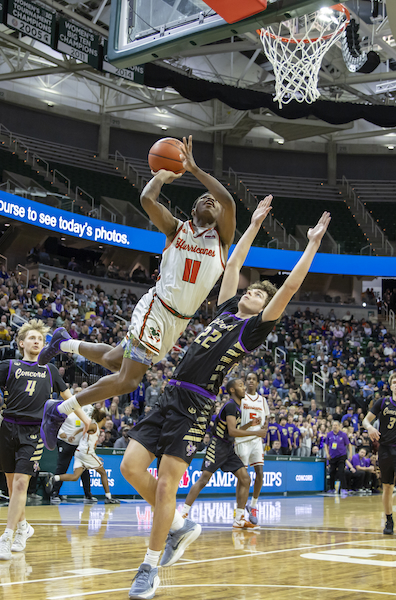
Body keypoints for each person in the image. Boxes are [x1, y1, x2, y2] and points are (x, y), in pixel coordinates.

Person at [118, 200, 330, 599]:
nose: (249, 292)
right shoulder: (227, 311)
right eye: (249, 290)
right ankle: (180, 527)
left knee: (166, 486)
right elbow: (232, 266)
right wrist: (252, 225)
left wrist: (313, 245)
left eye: (256, 294)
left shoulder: (253, 330)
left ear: (262, 308)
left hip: (197, 405)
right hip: (172, 392)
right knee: (130, 468)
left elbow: (289, 287)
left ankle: (148, 567)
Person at [39, 135, 236, 451]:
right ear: (192, 209)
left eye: (211, 198)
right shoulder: (176, 228)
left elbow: (227, 201)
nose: (210, 200)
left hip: (178, 323)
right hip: (157, 309)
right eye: (203, 198)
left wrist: (196, 170)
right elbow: (147, 199)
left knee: (114, 361)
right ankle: (58, 410)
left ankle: (64, 341)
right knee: (130, 381)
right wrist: (162, 173)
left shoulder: (222, 240)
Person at [0, 320, 71, 560]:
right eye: (32, 338)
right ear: (21, 343)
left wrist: (85, 420)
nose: (37, 341)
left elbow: (68, 398)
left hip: (34, 432)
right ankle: (23, 527)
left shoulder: (50, 370)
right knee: (12, 487)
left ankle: (7, 536)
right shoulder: (10, 366)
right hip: (8, 428)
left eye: (40, 339)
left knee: (21, 484)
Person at [181, 378, 266, 527]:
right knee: (204, 480)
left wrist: (249, 425)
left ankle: (239, 519)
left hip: (228, 448)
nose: (244, 387)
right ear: (232, 390)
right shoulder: (231, 406)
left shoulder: (237, 407)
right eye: (240, 385)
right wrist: (257, 432)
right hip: (217, 446)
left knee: (245, 479)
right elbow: (233, 431)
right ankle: (183, 514)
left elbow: (232, 432)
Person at [362, 372, 396, 538]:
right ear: (390, 386)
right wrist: (369, 428)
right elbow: (365, 420)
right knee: (387, 486)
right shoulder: (382, 402)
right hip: (384, 449)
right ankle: (389, 521)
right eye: (394, 382)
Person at [45, 406, 120, 504]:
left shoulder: (95, 427)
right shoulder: (94, 425)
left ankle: (54, 478)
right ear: (104, 419)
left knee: (75, 476)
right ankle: (109, 497)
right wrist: (74, 434)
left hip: (80, 452)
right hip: (85, 453)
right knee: (103, 473)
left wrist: (95, 456)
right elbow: (83, 427)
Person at [232, 371, 269, 524]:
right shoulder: (241, 398)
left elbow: (266, 419)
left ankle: (252, 506)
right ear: (245, 382)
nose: (251, 381)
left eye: (254, 379)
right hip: (242, 440)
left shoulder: (262, 400)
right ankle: (239, 509)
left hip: (256, 441)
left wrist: (264, 430)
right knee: (243, 477)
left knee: (260, 473)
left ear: (258, 383)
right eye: (248, 379)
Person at [50, 404, 96, 504]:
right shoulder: (66, 406)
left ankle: (88, 495)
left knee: (84, 468)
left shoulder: (89, 408)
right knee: (62, 467)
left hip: (80, 444)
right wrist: (60, 432)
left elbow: (92, 423)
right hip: (65, 441)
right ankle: (54, 493)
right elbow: (54, 422)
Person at [325, 421, 350, 496]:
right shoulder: (329, 434)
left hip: (341, 455)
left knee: (341, 471)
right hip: (333, 456)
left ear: (339, 426)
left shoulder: (343, 435)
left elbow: (348, 445)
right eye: (333, 425)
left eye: (336, 425)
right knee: (332, 472)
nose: (334, 426)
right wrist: (327, 454)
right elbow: (326, 445)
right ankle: (332, 488)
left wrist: (350, 454)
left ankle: (343, 488)